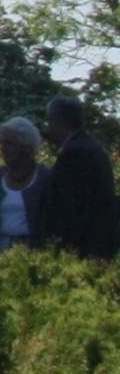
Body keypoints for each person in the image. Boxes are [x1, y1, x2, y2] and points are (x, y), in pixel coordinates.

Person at [41, 96, 120, 263]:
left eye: (50, 121)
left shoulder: (73, 154)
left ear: (58, 121)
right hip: (102, 245)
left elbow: (72, 208)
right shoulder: (94, 148)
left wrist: (62, 248)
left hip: (83, 249)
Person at [0, 118, 47, 252]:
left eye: (9, 143)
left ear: (26, 147)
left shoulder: (45, 178)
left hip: (32, 250)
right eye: (1, 143)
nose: (2, 149)